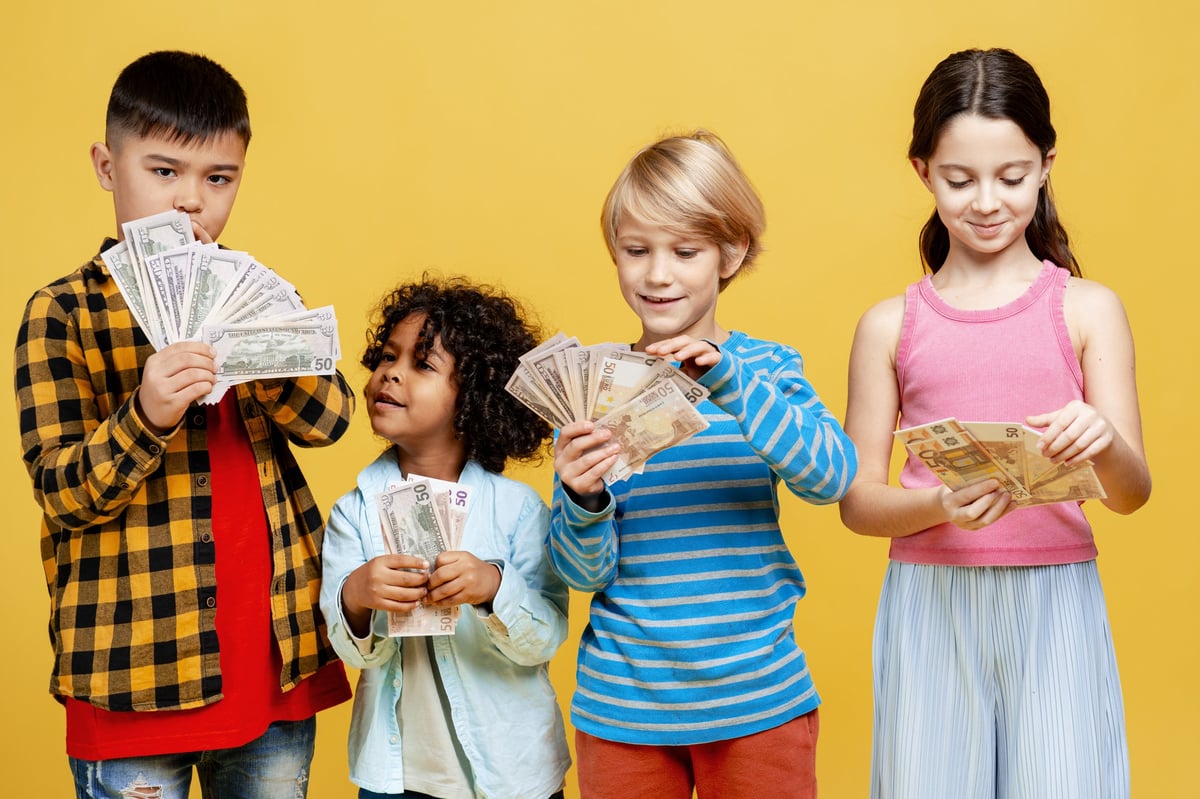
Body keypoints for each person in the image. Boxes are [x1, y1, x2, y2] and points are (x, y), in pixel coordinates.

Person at [14, 51, 355, 798]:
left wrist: (263, 345)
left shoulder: (259, 292)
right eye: (164, 172)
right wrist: (147, 413)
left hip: (269, 666)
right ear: (109, 166)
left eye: (218, 178)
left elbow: (331, 420)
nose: (190, 202)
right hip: (132, 670)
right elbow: (63, 491)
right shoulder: (62, 312)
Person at [839, 48, 1151, 798]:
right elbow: (857, 501)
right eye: (959, 179)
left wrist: (1103, 442)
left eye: (1011, 177)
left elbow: (1133, 492)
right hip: (930, 601)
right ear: (922, 173)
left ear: (1045, 165)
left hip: (1057, 600)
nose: (986, 200)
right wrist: (938, 506)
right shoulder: (889, 325)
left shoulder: (1086, 308)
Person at [549, 130, 858, 799]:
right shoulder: (591, 389)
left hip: (760, 701)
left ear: (730, 253)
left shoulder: (768, 370)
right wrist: (583, 496)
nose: (657, 273)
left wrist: (735, 385)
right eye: (636, 251)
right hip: (624, 708)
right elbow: (581, 572)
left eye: (684, 251)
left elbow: (832, 476)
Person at [319, 277, 571, 799]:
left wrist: (493, 587)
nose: (390, 372)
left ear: (472, 400)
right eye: (388, 357)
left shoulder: (519, 510)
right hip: (397, 776)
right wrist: (358, 597)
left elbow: (545, 640)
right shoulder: (353, 513)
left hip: (513, 773)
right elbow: (354, 654)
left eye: (422, 364)